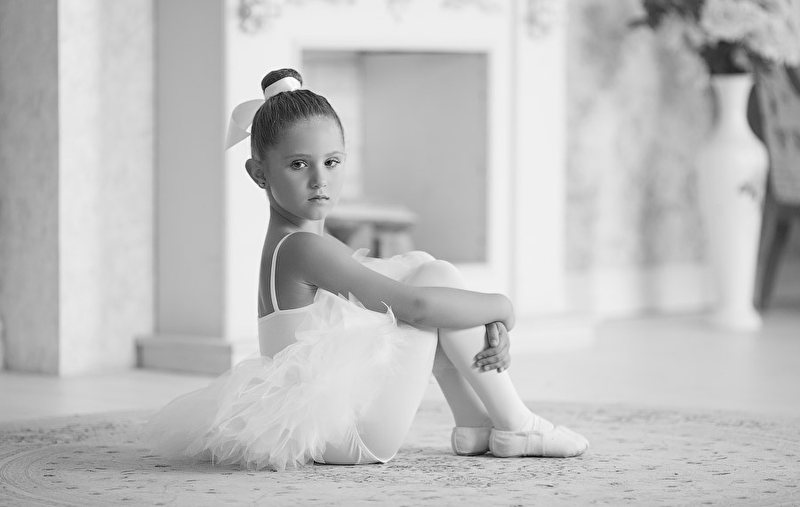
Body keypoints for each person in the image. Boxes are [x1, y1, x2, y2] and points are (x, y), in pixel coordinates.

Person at [143, 68, 588, 471]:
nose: (320, 180)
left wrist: (475, 315)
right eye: (299, 164)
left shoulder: (298, 242)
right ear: (259, 173)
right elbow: (417, 307)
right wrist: (502, 308)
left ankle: (475, 424)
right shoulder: (301, 248)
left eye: (331, 162)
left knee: (429, 274)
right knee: (434, 286)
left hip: (328, 429)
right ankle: (516, 422)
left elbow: (407, 290)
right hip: (345, 435)